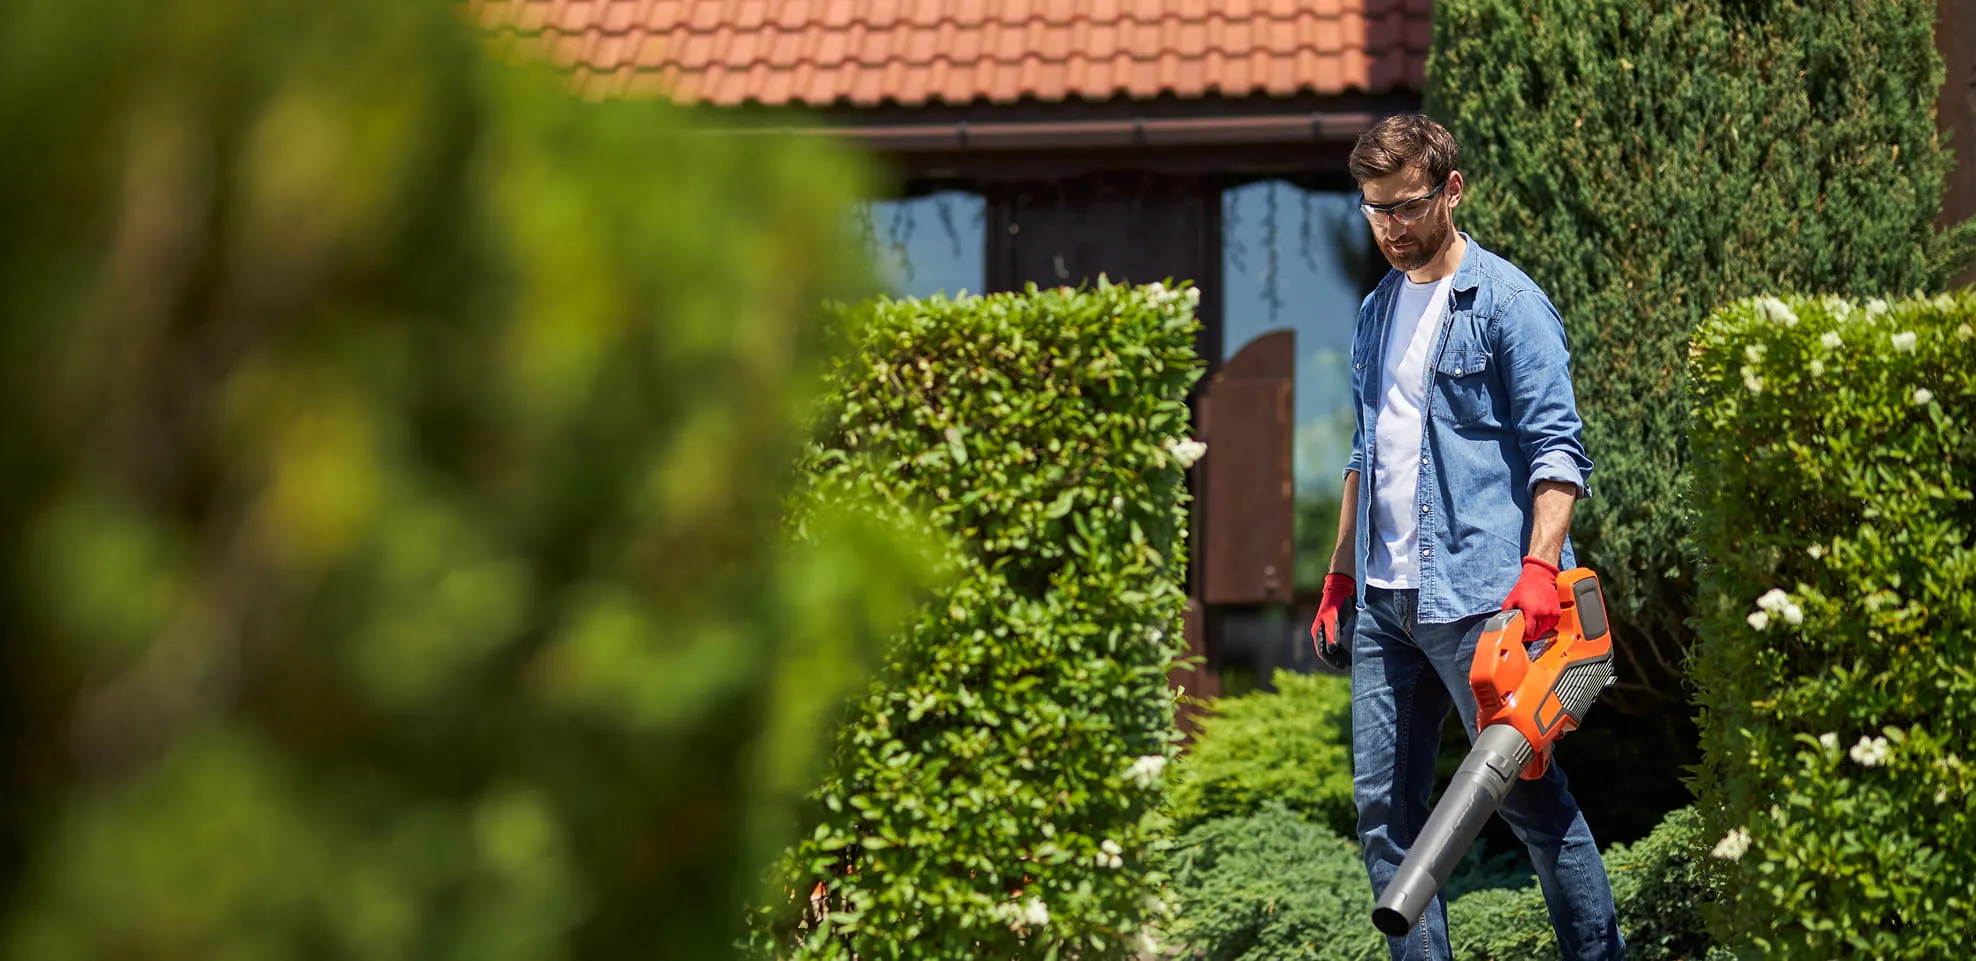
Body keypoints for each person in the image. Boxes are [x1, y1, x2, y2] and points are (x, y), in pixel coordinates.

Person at [1307, 113, 1625, 960]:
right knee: (1386, 815)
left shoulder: (1508, 304)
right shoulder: (1376, 312)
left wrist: (1536, 568)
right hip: (1387, 606)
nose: (1390, 229)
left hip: (1483, 600)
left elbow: (1559, 450)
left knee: (1528, 804)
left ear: (1451, 190)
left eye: (1406, 207)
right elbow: (1364, 453)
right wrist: (1342, 576)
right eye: (1374, 211)